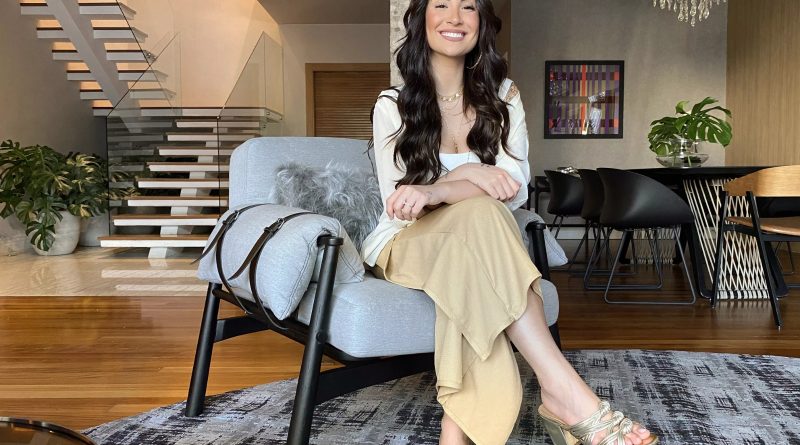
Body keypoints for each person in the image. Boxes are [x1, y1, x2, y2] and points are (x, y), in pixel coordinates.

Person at [360, 1, 659, 444]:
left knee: (476, 239)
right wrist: (472, 175)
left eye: (468, 6)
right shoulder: (392, 105)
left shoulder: (504, 97)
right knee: (479, 219)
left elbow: (513, 191)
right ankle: (565, 394)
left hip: (478, 241)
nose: (455, 17)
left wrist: (441, 188)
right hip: (406, 241)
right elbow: (403, 204)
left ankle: (457, 429)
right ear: (422, 19)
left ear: (482, 22)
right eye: (441, 4)